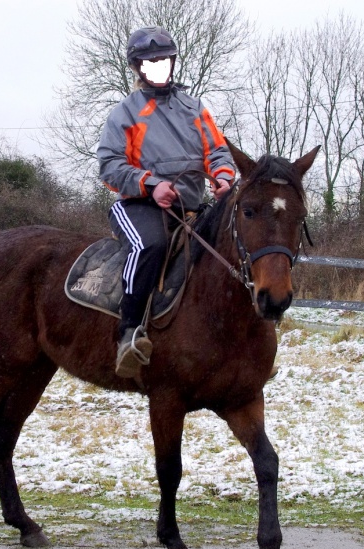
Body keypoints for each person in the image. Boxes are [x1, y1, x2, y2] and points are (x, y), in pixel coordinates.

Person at [97, 25, 236, 378]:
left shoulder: (195, 109)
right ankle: (128, 333)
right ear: (137, 68)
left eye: (163, 60)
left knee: (232, 247)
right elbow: (110, 165)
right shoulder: (125, 114)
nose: (158, 66)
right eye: (149, 62)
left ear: (172, 62)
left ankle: (242, 348)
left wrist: (222, 176)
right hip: (140, 206)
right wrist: (151, 184)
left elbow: (217, 150)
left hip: (190, 207)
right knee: (151, 245)